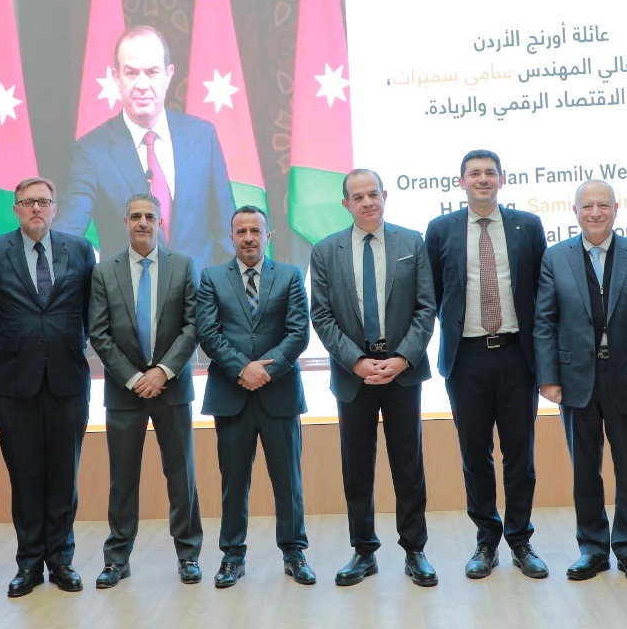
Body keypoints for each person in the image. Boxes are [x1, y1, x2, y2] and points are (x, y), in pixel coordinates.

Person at [535, 180, 627, 583]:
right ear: (574, 212)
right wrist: (548, 378)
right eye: (587, 206)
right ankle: (592, 549)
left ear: (616, 209)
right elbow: (544, 321)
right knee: (584, 470)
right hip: (575, 380)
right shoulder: (555, 257)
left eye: (603, 205)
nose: (595, 213)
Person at [310, 169, 439, 588]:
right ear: (345, 204)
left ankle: (415, 551)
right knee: (357, 466)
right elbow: (321, 315)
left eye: (373, 194)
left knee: (408, 465)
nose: (367, 202)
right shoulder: (325, 251)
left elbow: (426, 308)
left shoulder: (411, 242)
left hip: (402, 371)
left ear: (384, 196)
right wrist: (355, 361)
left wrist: (402, 358)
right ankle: (363, 551)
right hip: (354, 375)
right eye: (357, 196)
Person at [426, 149, 549, 580]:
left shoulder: (527, 226)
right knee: (474, 455)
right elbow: (434, 293)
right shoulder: (440, 229)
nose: (482, 179)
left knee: (520, 454)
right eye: (474, 173)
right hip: (467, 358)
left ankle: (520, 539)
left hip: (518, 356)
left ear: (501, 179)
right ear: (461, 182)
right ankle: (486, 540)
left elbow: (542, 292)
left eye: (490, 173)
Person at [0, 176, 96, 598]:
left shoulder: (80, 250)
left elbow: (89, 311)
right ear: (16, 210)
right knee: (25, 478)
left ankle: (61, 560)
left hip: (68, 380)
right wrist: (18, 346)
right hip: (14, 383)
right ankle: (28, 563)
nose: (36, 209)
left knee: (64, 477)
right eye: (28, 203)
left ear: (55, 208)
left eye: (44, 202)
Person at [87, 193, 203, 587]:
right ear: (125, 222)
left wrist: (163, 372)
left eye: (150, 216)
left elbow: (193, 326)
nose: (142, 223)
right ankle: (117, 559)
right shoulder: (105, 271)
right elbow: (99, 333)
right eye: (135, 216)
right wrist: (135, 377)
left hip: (172, 388)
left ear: (160, 222)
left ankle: (188, 555)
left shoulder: (182, 266)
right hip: (125, 392)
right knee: (122, 479)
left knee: (181, 476)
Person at [196, 205, 313, 588]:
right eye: (241, 231)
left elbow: (298, 332)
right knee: (233, 482)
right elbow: (208, 333)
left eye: (255, 231)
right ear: (231, 237)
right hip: (231, 396)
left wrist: (265, 370)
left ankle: (294, 554)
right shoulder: (211, 277)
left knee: (288, 481)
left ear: (268, 236)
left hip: (280, 395)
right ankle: (232, 557)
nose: (249, 237)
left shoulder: (290, 275)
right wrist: (242, 368)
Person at [56, 25, 235, 272]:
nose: (142, 84)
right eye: (131, 73)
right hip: (130, 295)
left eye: (151, 72)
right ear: (116, 77)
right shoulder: (92, 151)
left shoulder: (203, 137)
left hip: (198, 293)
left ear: (168, 75)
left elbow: (228, 234)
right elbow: (67, 237)